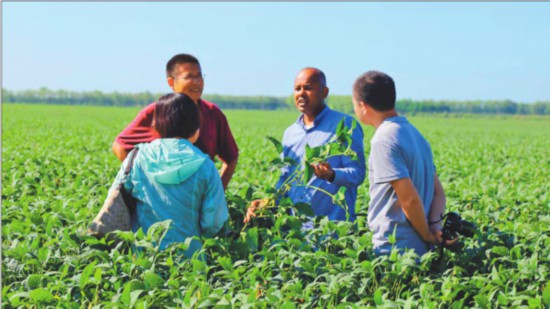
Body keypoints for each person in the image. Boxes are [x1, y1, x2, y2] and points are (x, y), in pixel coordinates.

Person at [351, 70, 456, 256]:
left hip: (394, 249)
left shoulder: (383, 140)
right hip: (421, 249)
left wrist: (427, 235)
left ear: (363, 106)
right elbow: (438, 193)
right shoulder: (416, 135)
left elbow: (409, 199)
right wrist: (434, 227)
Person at [110, 93, 228, 257]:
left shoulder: (137, 157)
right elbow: (214, 221)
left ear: (156, 126)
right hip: (190, 259)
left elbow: (115, 198)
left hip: (144, 257)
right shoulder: (205, 166)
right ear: (196, 129)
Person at [244, 68, 366, 226]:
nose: (301, 93)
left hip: (332, 231)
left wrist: (331, 175)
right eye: (297, 88)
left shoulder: (344, 125)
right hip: (296, 230)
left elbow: (357, 174)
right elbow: (285, 179)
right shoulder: (291, 133)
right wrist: (266, 203)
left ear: (324, 92)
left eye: (308, 88)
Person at [112, 54, 238, 190]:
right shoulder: (156, 111)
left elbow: (231, 156)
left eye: (199, 76)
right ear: (171, 82)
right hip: (159, 202)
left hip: (198, 200)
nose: (197, 82)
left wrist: (217, 190)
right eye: (189, 77)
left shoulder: (212, 113)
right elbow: (120, 146)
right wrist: (147, 182)